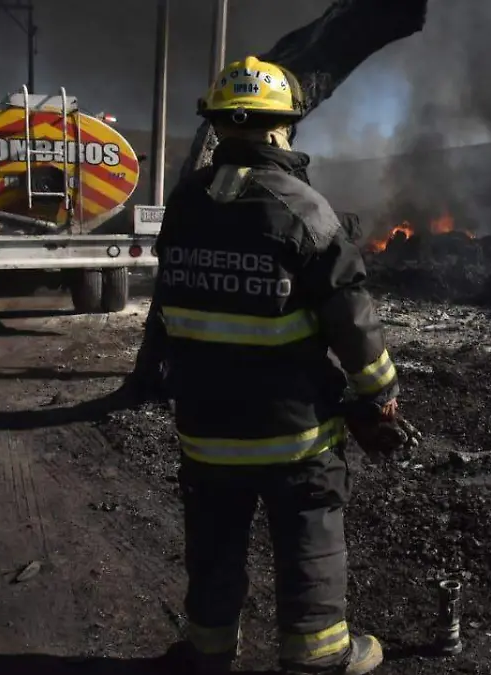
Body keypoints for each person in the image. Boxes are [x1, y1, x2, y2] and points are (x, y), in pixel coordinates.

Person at [145, 56, 421, 675]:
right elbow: (352, 320)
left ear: (219, 127)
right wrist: (381, 394)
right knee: (309, 542)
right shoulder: (304, 210)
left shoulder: (185, 205)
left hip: (205, 428)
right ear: (281, 130)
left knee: (213, 548)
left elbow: (170, 307)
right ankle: (319, 657)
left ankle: (208, 652)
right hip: (292, 433)